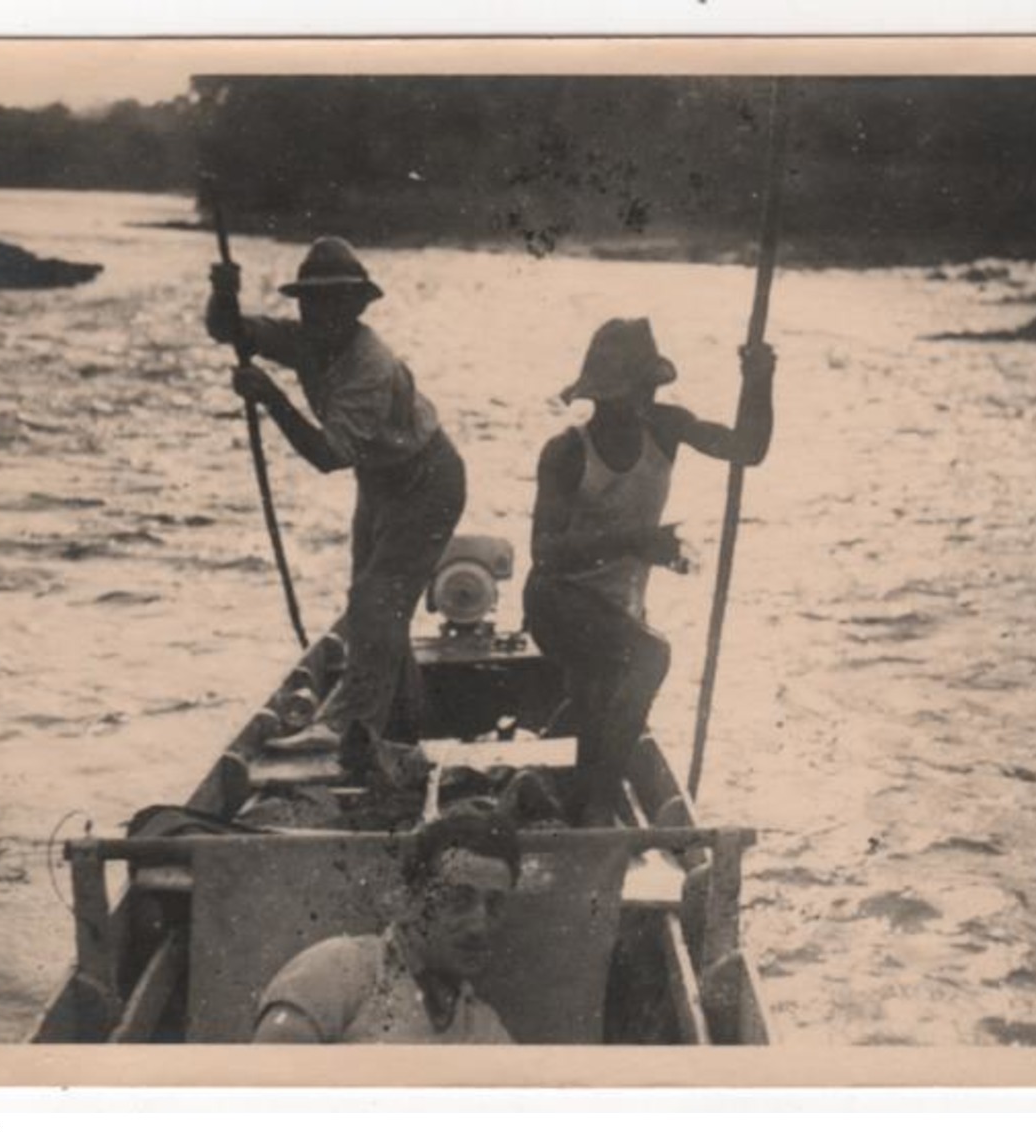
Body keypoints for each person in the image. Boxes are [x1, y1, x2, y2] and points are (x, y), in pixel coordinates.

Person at [207, 236, 465, 752]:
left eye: (335, 300)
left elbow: (327, 457)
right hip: (380, 483)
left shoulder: (369, 364)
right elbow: (228, 330)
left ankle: (346, 728)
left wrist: (272, 397)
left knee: (374, 605)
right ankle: (401, 723)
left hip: (427, 483)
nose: (321, 310)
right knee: (378, 611)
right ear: (302, 304)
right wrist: (223, 295)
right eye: (312, 300)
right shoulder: (304, 339)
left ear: (356, 306)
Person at [524, 318, 775, 826]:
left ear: (650, 390)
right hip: (558, 601)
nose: (632, 406)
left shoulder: (666, 427)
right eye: (619, 397)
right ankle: (597, 803)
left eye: (641, 392)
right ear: (598, 396)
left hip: (616, 604)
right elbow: (545, 553)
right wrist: (638, 542)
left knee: (597, 703)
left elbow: (747, 449)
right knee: (649, 655)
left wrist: (759, 380)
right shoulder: (567, 451)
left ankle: (565, 794)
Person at [252, 806, 520, 1043]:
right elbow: (267, 1087)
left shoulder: (482, 1030)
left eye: (494, 905)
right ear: (411, 900)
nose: (478, 926)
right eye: (458, 900)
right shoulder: (341, 970)